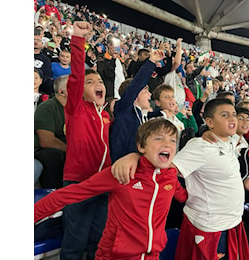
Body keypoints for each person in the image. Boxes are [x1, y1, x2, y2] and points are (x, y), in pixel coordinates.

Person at [110, 98, 249, 259]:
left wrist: (205, 129)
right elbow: (165, 167)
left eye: (234, 114)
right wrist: (136, 157)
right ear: (210, 122)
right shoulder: (201, 147)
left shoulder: (230, 141)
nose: (232, 118)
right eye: (225, 115)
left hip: (231, 225)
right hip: (211, 229)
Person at [34, 118, 188, 259]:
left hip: (152, 255)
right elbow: (68, 195)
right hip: (115, 255)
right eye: (159, 138)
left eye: (173, 140)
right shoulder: (122, 173)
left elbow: (183, 196)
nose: (168, 144)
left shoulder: (170, 175)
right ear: (141, 146)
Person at [60, 21, 112, 260]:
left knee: (98, 240)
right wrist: (78, 40)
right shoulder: (76, 109)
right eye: (90, 83)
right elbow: (77, 76)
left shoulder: (106, 117)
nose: (97, 84)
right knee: (75, 242)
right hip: (78, 182)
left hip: (103, 183)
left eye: (100, 81)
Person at [34, 75, 69, 189]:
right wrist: (72, 151)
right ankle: (51, 196)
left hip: (68, 149)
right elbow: (46, 141)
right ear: (62, 92)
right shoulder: (47, 107)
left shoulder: (78, 109)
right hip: (41, 151)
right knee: (53, 156)